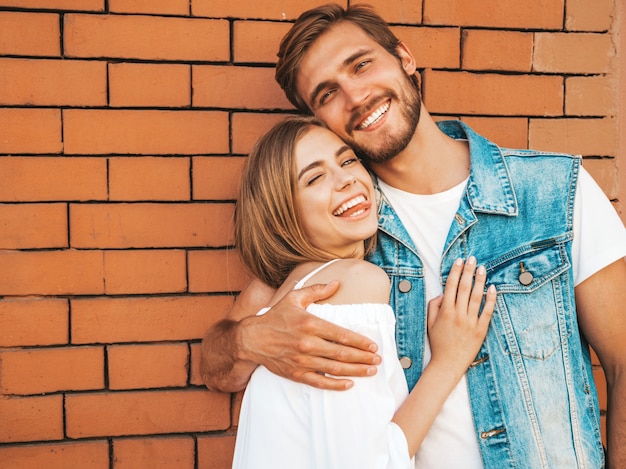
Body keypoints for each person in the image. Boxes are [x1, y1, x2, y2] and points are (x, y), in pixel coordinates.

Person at [201, 4, 626, 468]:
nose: (356, 96)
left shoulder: (553, 191)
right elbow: (219, 364)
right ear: (320, 121)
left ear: (404, 58)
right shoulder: (335, 230)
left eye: (361, 64)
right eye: (327, 94)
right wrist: (252, 339)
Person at [230, 116, 496, 468]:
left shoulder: (287, 296)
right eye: (315, 177)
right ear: (282, 214)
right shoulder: (352, 284)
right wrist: (449, 361)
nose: (346, 180)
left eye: (347, 160)